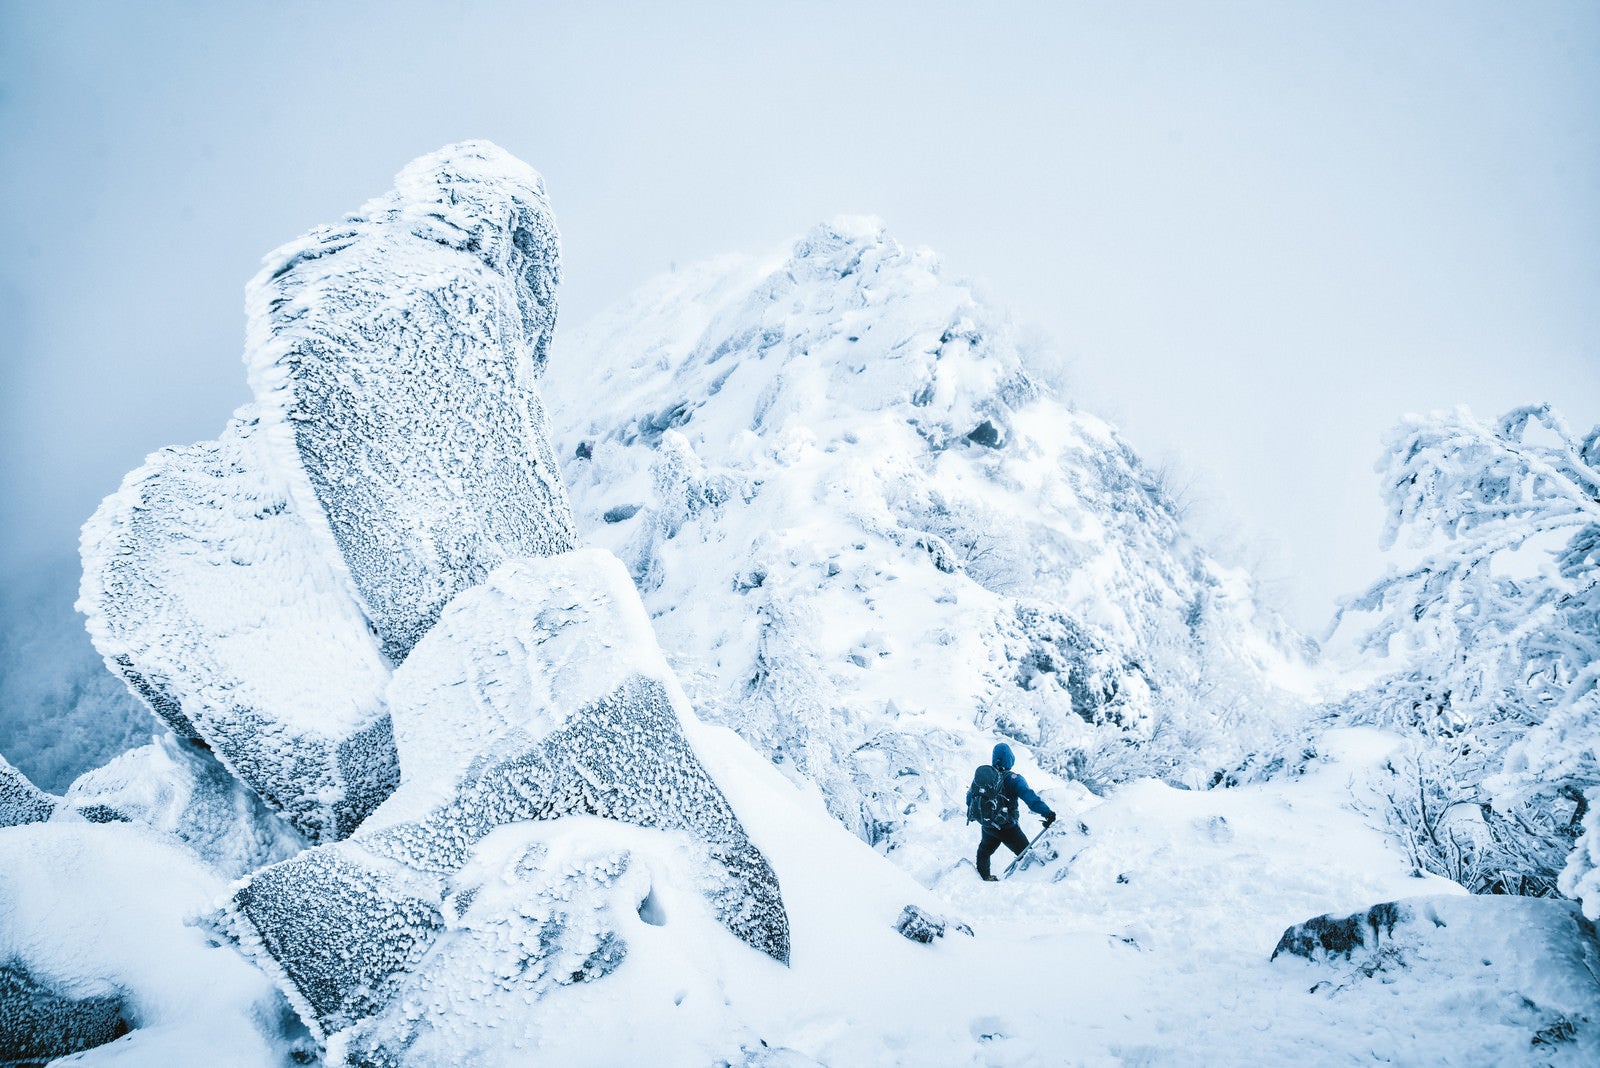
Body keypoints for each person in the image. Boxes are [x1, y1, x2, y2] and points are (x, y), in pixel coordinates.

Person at [971, 742, 1055, 881]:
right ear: (1010, 759)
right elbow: (1030, 798)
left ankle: (984, 877)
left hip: (988, 825)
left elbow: (970, 798)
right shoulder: (1014, 779)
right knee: (1025, 855)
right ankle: (1024, 881)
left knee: (984, 851)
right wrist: (1047, 813)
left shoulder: (984, 777)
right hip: (1008, 827)